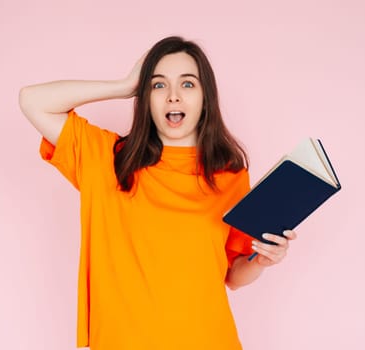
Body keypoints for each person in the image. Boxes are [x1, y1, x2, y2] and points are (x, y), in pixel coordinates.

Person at [19, 36, 297, 350]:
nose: (174, 97)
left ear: (206, 98)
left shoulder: (229, 174)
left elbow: (233, 275)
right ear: (145, 97)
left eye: (188, 85)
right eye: (159, 85)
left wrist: (261, 260)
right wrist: (123, 86)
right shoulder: (107, 159)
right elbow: (32, 100)